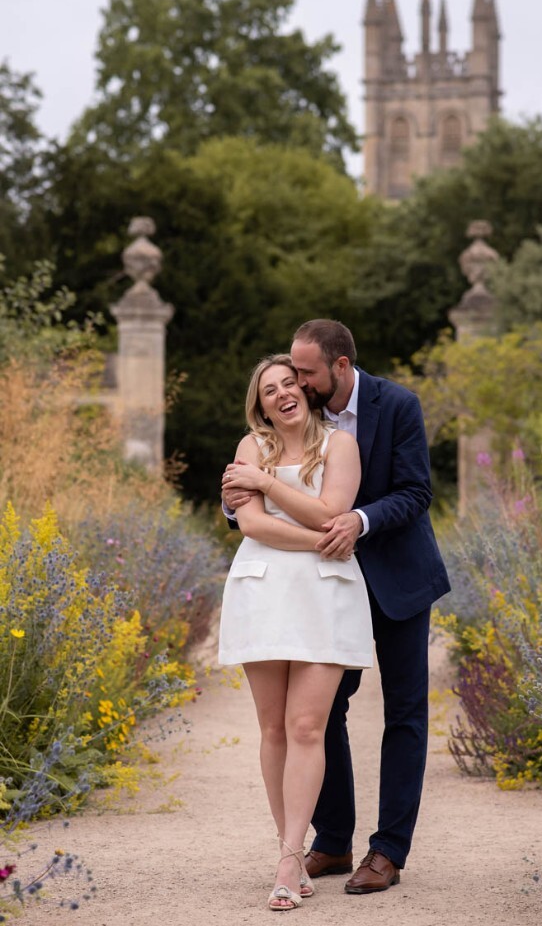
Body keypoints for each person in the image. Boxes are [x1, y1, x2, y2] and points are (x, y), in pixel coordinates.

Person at [225, 321, 451, 896]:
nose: (296, 382)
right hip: (321, 583)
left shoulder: (396, 404)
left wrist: (359, 520)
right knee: (319, 717)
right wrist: (240, 503)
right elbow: (253, 497)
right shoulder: (291, 422)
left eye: (304, 373)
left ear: (340, 367)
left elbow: (416, 491)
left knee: (404, 712)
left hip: (394, 576)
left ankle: (389, 850)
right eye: (289, 375)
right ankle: (331, 839)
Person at [218, 353, 373, 912]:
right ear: (259, 404)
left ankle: (289, 859)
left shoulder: (341, 445)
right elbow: (253, 525)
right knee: (273, 728)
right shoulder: (250, 446)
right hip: (262, 591)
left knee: (308, 725)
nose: (281, 394)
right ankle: (293, 850)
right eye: (268, 390)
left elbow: (333, 507)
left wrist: (263, 484)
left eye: (289, 383)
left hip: (326, 596)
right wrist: (324, 536)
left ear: (305, 391)